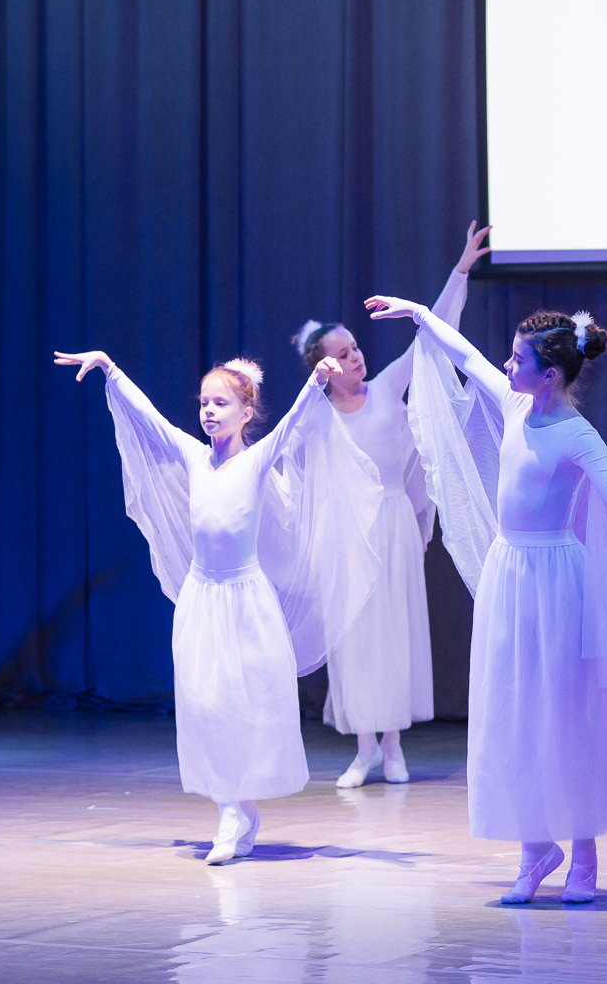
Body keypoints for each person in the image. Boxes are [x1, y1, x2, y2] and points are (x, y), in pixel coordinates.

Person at [364, 295, 607, 904]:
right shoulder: (515, 403)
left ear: (550, 375)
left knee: (565, 713)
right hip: (508, 573)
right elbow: (465, 356)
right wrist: (418, 314)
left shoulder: (577, 434)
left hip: (556, 579)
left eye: (518, 360)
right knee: (513, 709)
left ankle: (584, 857)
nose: (506, 365)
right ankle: (535, 849)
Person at [52, 346, 380, 863]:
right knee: (206, 704)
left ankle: (240, 810)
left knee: (244, 707)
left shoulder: (256, 459)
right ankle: (231, 812)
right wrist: (112, 369)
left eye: (221, 403)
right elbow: (151, 420)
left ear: (246, 413)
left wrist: (317, 380)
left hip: (247, 602)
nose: (208, 411)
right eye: (204, 402)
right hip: (202, 600)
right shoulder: (192, 455)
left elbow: (294, 421)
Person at [293, 222, 491, 788]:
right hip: (347, 535)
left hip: (394, 523)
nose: (356, 357)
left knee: (396, 633)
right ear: (323, 368)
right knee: (355, 640)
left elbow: (432, 335)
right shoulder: (315, 416)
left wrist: (459, 271)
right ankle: (364, 749)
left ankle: (394, 747)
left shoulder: (384, 388)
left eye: (355, 347)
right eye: (342, 354)